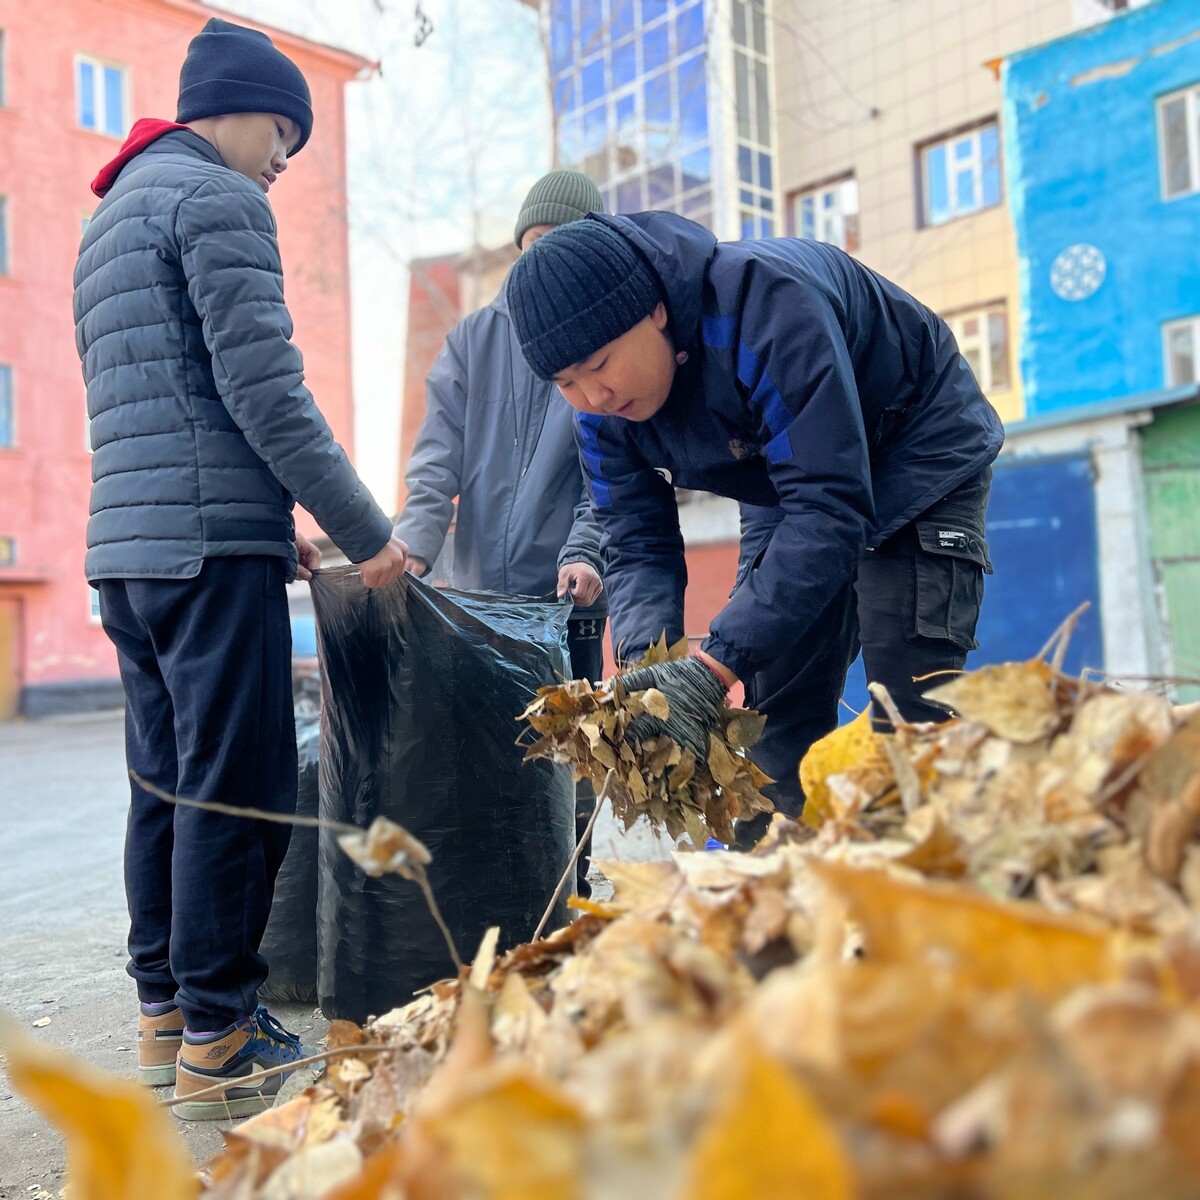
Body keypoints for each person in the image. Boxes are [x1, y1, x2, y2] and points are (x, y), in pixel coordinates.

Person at [73, 17, 408, 1119]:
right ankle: (223, 1037)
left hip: (130, 554)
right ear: (233, 111)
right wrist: (366, 532)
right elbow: (264, 393)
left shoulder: (110, 220)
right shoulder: (218, 200)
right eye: (282, 133)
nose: (284, 160)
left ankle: (166, 1017)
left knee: (165, 781)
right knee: (237, 783)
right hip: (206, 552)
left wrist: (276, 523)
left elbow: (171, 399)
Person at [504, 213, 1003, 845]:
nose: (593, 396)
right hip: (786, 469)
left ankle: (923, 873)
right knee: (775, 709)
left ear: (655, 309)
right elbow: (635, 545)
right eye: (565, 383)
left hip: (913, 441)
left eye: (599, 364)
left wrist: (714, 667)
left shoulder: (766, 309)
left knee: (908, 697)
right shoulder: (600, 416)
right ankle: (769, 883)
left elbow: (829, 508)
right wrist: (649, 679)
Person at [395, 170, 608, 891]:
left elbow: (612, 476)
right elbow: (435, 462)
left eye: (563, 244)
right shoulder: (472, 341)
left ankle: (569, 892)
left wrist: (586, 553)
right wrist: (416, 547)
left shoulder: (604, 341)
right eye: (534, 244)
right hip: (480, 600)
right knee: (490, 750)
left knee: (573, 753)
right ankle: (500, 896)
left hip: (568, 601)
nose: (543, 260)